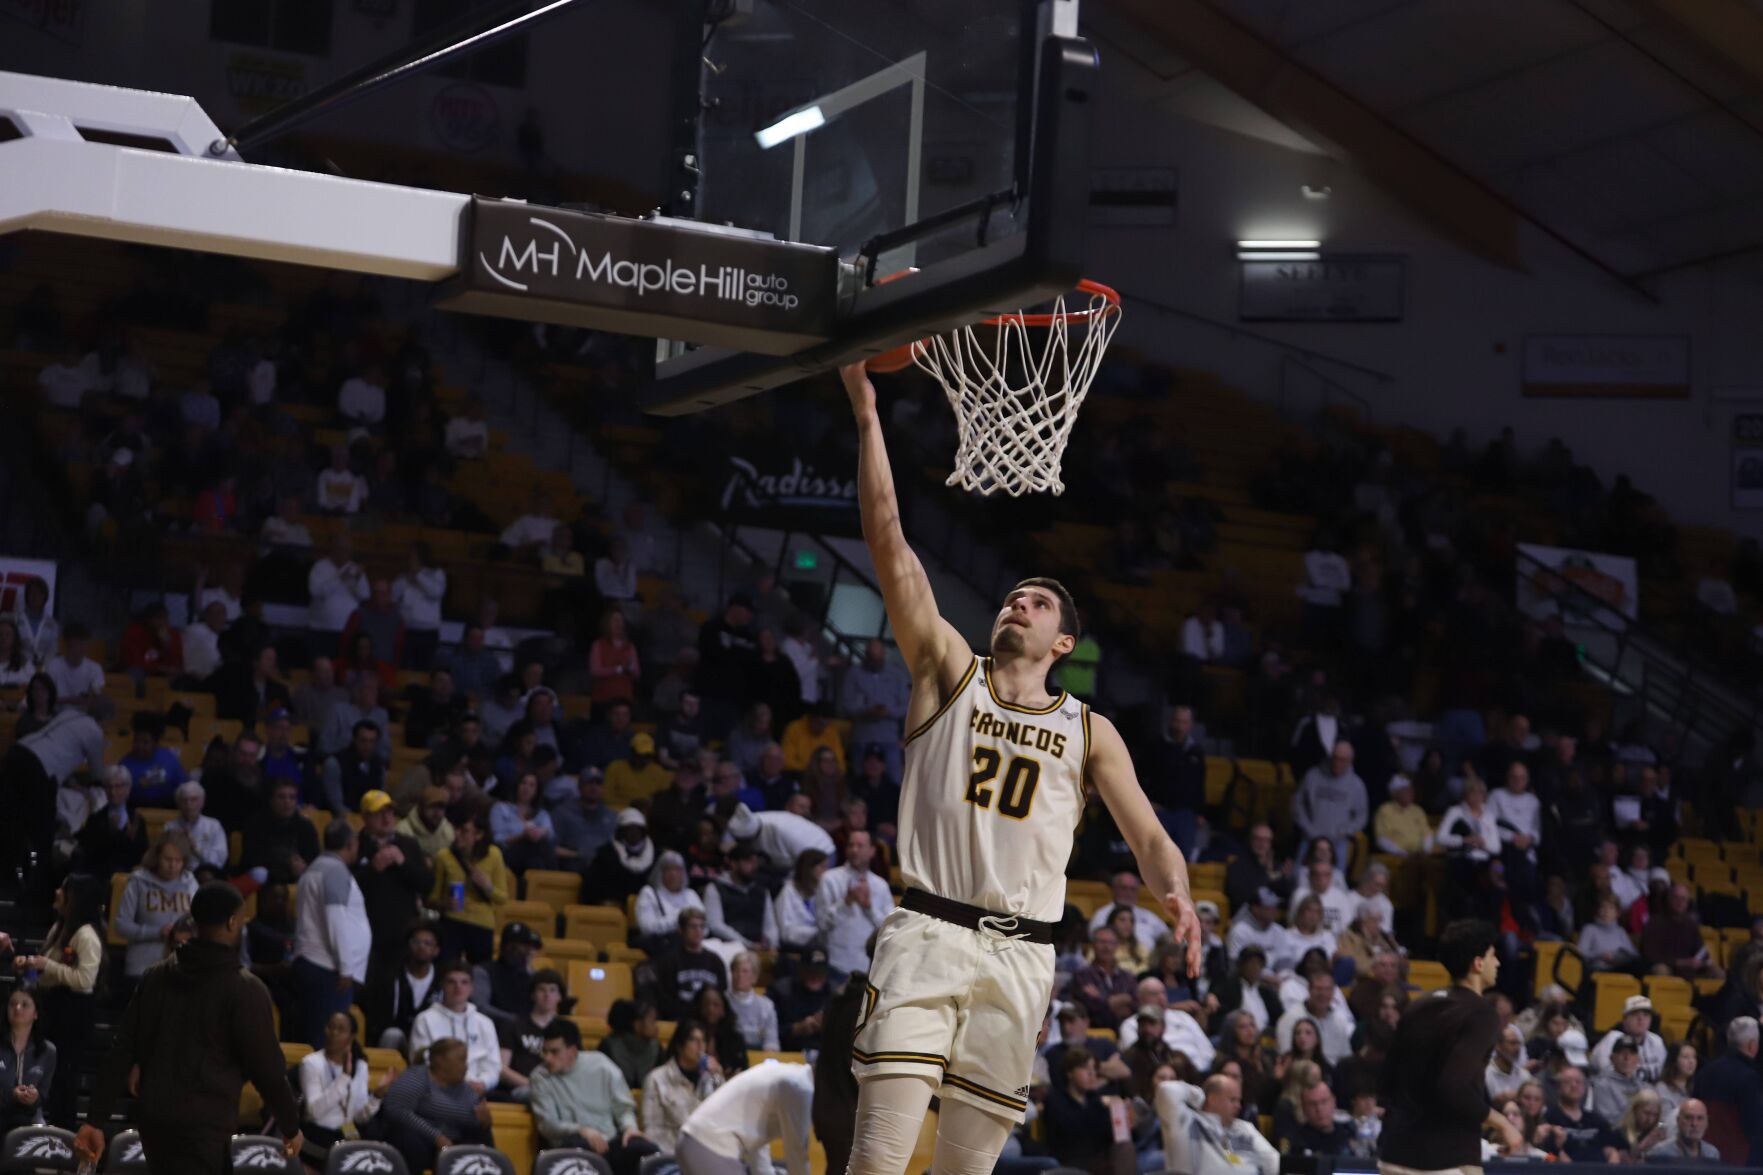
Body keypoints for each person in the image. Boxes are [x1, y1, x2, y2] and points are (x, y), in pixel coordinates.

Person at [842, 362, 1204, 1172]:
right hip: (928, 931)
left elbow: (1146, 834)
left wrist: (1175, 890)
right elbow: (887, 541)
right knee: (876, 1159)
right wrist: (868, 416)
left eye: (1038, 603)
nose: (1019, 603)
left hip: (1022, 957)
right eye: (1015, 595)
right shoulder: (945, 668)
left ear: (1063, 644)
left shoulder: (1090, 728)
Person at [77, 882, 302, 1174]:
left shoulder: (155, 977)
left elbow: (121, 1051)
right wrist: (291, 1125)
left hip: (154, 1124)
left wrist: (95, 1119)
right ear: (234, 922)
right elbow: (268, 1071)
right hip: (203, 1128)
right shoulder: (245, 989)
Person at [1378, 919, 1525, 1175]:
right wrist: (1502, 1123)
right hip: (1444, 1159)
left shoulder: (1418, 1005)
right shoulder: (1481, 1012)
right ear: (1478, 964)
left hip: (1394, 1152)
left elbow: (1387, 1077)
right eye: (1493, 956)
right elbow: (1455, 1086)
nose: (1498, 963)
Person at [531, 1018, 659, 1175]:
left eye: (554, 1052)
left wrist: (630, 1127)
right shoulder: (540, 1076)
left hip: (609, 1142)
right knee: (578, 1144)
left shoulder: (601, 1064)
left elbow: (623, 1107)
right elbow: (547, 1125)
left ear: (572, 1050)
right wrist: (582, 1130)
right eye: (545, 1051)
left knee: (644, 1148)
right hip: (571, 1145)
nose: (547, 1058)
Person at [292, 819, 370, 1048]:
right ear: (350, 843)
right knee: (327, 1043)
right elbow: (336, 918)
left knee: (316, 1038)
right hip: (328, 970)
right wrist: (347, 967)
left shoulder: (314, 868)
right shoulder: (335, 870)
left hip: (315, 964)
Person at [352, 789, 433, 991]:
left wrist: (403, 863)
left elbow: (426, 884)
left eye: (389, 812)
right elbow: (347, 888)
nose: (386, 818)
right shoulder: (355, 845)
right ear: (365, 817)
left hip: (403, 935)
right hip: (368, 935)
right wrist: (372, 870)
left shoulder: (409, 844)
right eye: (379, 813)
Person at [676, 1060, 816, 1175]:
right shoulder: (802, 1087)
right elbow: (796, 1154)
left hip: (691, 1142)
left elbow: (758, 1138)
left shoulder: (790, 1073)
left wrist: (764, 1172)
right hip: (710, 1146)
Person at [378, 1037, 494, 1173]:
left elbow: (472, 1124)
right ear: (441, 1061)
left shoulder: (466, 1089)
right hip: (420, 1142)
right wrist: (436, 1137)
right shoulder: (417, 1076)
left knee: (483, 1140)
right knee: (409, 1140)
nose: (466, 1066)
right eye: (461, 1060)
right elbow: (396, 1109)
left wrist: (484, 1123)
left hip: (451, 1143)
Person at [1156, 1072, 1278, 1175]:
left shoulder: (1244, 1128)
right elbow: (1166, 1090)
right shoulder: (1187, 1122)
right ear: (1212, 1099)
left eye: (1239, 1101)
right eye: (1232, 1100)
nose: (1239, 1106)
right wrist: (1199, 1096)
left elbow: (1273, 1161)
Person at [115, 832, 197, 985]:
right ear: (157, 857)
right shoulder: (138, 881)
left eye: (178, 861)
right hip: (142, 969)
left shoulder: (191, 883)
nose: (173, 865)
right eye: (167, 859)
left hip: (181, 969)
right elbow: (121, 926)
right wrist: (157, 932)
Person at [298, 1011, 382, 1155]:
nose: (334, 1033)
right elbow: (314, 1112)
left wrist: (376, 1097)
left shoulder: (360, 1066)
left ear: (352, 1037)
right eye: (331, 1027)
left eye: (341, 1029)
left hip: (347, 1130)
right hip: (317, 1131)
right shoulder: (311, 1063)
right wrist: (344, 1078)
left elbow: (359, 1117)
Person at [410, 961, 502, 1094]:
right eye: (451, 982)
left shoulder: (485, 1023)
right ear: (442, 985)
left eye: (464, 982)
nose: (458, 987)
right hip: (436, 1090)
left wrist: (482, 1083)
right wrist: (459, 1084)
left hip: (477, 1091)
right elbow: (422, 1062)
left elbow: (493, 1066)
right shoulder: (424, 1019)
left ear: (472, 987)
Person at [429, 813, 508, 964]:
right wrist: (444, 903)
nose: (457, 834)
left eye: (464, 831)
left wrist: (487, 887)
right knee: (446, 968)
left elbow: (502, 898)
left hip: (482, 924)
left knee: (480, 972)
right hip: (452, 921)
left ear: (478, 834)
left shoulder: (494, 855)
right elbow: (432, 898)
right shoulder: (443, 856)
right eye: (456, 829)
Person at [816, 829, 894, 979]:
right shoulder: (829, 879)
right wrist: (845, 902)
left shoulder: (880, 885)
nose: (854, 850)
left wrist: (869, 907)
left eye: (860, 846)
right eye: (850, 845)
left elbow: (889, 929)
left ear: (871, 851)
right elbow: (822, 925)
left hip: (869, 968)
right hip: (835, 965)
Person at [642, 1019, 724, 1151]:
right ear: (679, 1046)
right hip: (671, 1153)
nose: (700, 1046)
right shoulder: (657, 1079)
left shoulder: (711, 1077)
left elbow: (724, 1115)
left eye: (703, 1040)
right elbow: (652, 1130)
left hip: (707, 1152)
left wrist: (717, 1077)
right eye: (693, 1040)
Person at [1697, 1015, 1763, 1165]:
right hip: (1740, 1160)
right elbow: (1754, 1126)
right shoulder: (1749, 1078)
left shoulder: (1705, 1072)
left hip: (1706, 1160)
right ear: (1753, 1045)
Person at [497, 967, 566, 1104]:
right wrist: (532, 1084)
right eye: (541, 989)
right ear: (532, 994)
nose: (547, 995)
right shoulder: (513, 1025)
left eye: (552, 990)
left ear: (559, 996)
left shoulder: (567, 1029)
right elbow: (502, 1069)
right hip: (524, 1088)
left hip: (558, 1090)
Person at [370, 922, 442, 1052]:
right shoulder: (391, 976)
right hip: (400, 1037)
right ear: (408, 945)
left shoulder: (442, 981)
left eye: (427, 943)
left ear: (436, 950)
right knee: (391, 1035)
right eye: (416, 942)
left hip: (429, 1040)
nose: (421, 947)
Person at [648, 908, 729, 1021]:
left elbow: (722, 996)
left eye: (701, 926)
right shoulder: (669, 961)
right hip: (680, 1021)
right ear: (681, 930)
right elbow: (665, 1001)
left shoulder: (715, 961)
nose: (698, 931)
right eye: (693, 926)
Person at [1545, 1065, 1625, 1163]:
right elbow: (1543, 1155)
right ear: (1558, 1088)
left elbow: (1611, 1149)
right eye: (1568, 1082)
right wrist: (1557, 1159)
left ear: (1584, 1087)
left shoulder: (1596, 1119)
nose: (1574, 1085)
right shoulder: (1549, 1118)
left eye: (1578, 1081)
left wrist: (1613, 1157)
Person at [0, 989, 54, 1133]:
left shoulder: (48, 1051)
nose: (17, 1008)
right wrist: (12, 1094)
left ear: (36, 1013)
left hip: (28, 1116)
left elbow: (43, 1095)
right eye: (12, 1004)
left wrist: (34, 1098)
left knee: (39, 1129)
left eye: (24, 1005)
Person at [1589, 994, 1667, 1080]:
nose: (1641, 1018)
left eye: (1646, 1014)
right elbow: (1608, 1077)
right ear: (1625, 1019)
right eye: (1635, 1014)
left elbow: (1664, 1074)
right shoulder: (1611, 1040)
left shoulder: (1656, 1041)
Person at [166, 781, 228, 876]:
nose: (188, 804)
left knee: (206, 874)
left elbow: (219, 861)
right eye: (184, 800)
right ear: (178, 804)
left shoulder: (214, 826)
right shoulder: (170, 827)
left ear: (202, 802)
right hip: (177, 874)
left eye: (193, 800)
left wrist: (196, 848)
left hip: (207, 875)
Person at [599, 999, 662, 1088]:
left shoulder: (656, 1048)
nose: (656, 1027)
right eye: (652, 1021)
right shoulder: (609, 1046)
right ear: (637, 1025)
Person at [727, 950, 781, 1051]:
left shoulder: (766, 1006)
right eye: (736, 970)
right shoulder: (721, 1001)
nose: (739, 975)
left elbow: (771, 1043)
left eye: (745, 971)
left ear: (754, 977)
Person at [1649, 1098, 1719, 1162]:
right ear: (1678, 1121)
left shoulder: (1712, 1154)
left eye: (1700, 1118)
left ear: (1706, 1123)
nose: (1694, 1123)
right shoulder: (1660, 1152)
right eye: (1688, 1118)